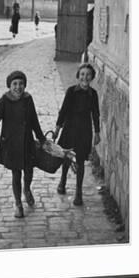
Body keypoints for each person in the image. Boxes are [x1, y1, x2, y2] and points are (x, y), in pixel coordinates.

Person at [0, 71, 46, 218]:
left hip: (27, 142)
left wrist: (41, 138)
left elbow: (34, 120)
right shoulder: (4, 101)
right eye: (15, 84)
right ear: (9, 86)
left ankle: (27, 189)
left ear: (24, 85)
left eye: (21, 84)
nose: (18, 87)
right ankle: (18, 203)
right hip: (11, 144)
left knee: (29, 170)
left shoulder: (28, 99)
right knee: (16, 173)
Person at [53, 63, 100, 206]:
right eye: (82, 74)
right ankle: (62, 181)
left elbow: (96, 115)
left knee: (80, 161)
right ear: (78, 77)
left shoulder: (93, 94)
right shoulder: (71, 92)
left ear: (92, 77)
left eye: (88, 75)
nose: (85, 77)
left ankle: (78, 193)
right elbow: (63, 111)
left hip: (84, 132)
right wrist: (57, 128)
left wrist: (97, 132)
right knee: (67, 157)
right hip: (70, 129)